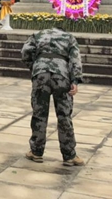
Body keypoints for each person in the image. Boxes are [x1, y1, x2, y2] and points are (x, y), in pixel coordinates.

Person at [21, 28, 85, 166]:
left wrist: (34, 66)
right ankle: (69, 155)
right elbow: (75, 59)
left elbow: (25, 52)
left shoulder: (37, 35)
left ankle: (36, 152)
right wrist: (75, 80)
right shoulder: (69, 37)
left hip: (41, 74)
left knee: (39, 113)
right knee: (64, 115)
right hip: (61, 75)